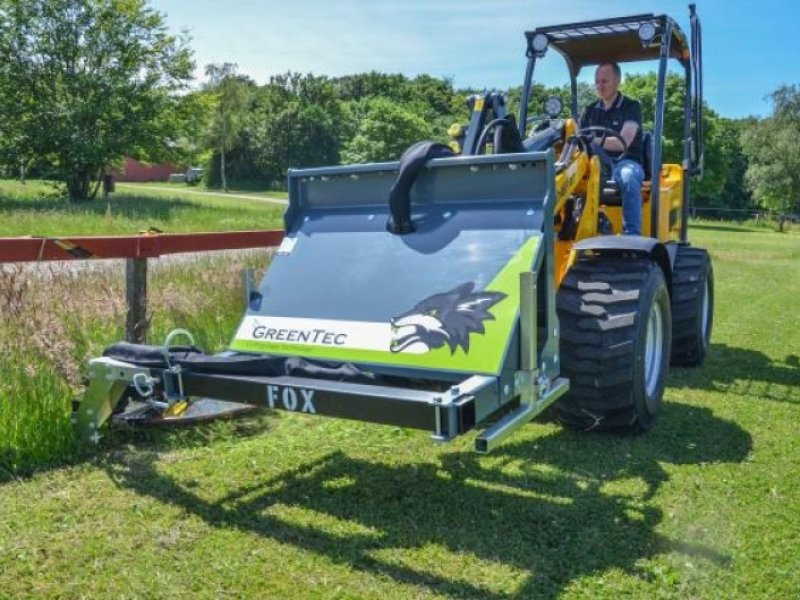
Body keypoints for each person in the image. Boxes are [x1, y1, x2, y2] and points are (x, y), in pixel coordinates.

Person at [580, 61, 645, 235]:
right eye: (597, 81)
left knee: (628, 176)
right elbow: (580, 141)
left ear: (617, 81)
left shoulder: (631, 107)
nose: (600, 86)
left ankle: (632, 235)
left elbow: (623, 142)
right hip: (597, 164)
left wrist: (596, 140)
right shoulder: (590, 110)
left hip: (625, 161)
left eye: (605, 81)